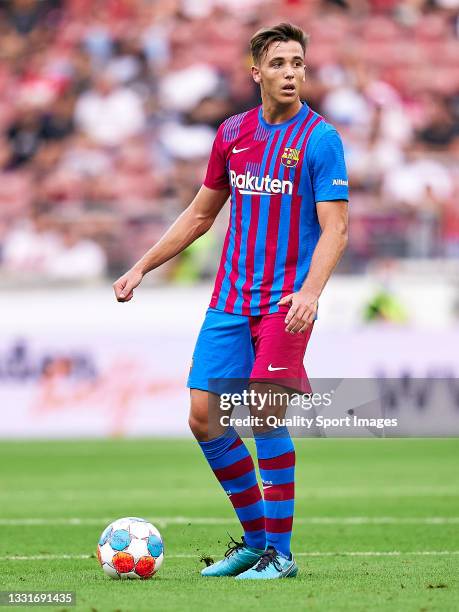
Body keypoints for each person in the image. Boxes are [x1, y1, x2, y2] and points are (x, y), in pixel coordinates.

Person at [113, 22, 349, 580]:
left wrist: (310, 293)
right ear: (256, 73)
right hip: (230, 300)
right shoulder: (233, 134)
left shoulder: (321, 140)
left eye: (298, 63)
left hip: (283, 304)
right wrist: (142, 265)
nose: (291, 73)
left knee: (264, 412)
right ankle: (254, 541)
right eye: (279, 64)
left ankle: (281, 556)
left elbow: (335, 229)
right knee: (204, 418)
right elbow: (200, 214)